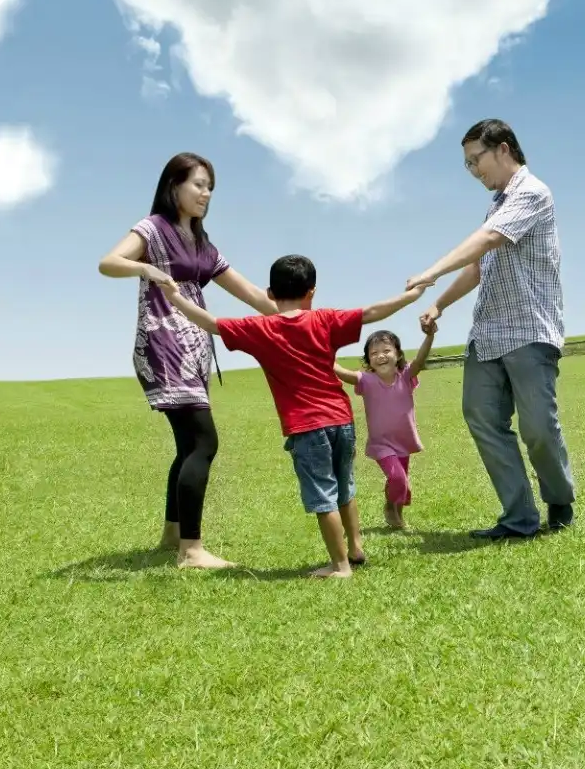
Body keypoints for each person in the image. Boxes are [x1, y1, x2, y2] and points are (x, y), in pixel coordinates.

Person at [159, 256, 427, 579]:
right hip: (342, 421)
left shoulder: (260, 328)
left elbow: (212, 324)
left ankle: (340, 566)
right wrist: (412, 297)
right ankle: (355, 548)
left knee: (324, 496)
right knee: (345, 487)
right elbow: (371, 313)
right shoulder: (325, 320)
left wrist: (174, 296)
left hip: (307, 427)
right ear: (311, 292)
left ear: (270, 293)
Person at [98, 152, 276, 569]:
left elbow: (250, 293)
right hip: (164, 347)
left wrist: (291, 315)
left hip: (194, 351)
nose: (206, 193)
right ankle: (192, 551)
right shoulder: (153, 229)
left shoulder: (202, 245)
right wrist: (148, 271)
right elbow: (108, 262)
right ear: (173, 186)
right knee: (203, 442)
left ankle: (172, 536)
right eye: (198, 184)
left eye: (210, 186)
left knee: (187, 446)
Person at [407, 118, 576, 540]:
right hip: (488, 334)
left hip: (529, 331)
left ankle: (559, 498)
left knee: (538, 427)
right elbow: (479, 266)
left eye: (475, 160)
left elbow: (485, 241)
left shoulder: (533, 193)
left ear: (503, 149)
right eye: (467, 165)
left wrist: (430, 271)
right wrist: (438, 302)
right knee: (482, 417)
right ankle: (519, 517)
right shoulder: (497, 204)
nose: (473, 171)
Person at [334, 327, 435, 531]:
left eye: (386, 351)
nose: (381, 356)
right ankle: (389, 507)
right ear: (368, 360)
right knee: (397, 478)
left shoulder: (406, 376)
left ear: (397, 354)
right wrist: (324, 355)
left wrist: (429, 335)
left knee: (402, 483)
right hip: (381, 444)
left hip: (404, 441)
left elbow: (420, 360)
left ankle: (398, 515)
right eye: (374, 353)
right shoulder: (367, 380)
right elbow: (344, 374)